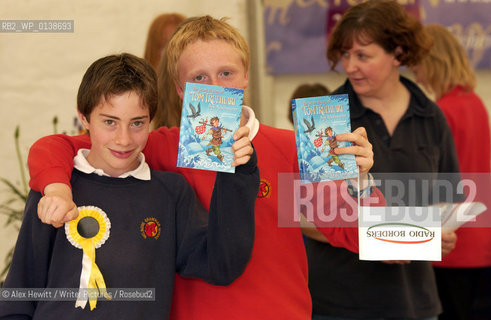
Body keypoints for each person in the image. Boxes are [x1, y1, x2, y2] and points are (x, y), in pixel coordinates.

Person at [25, 16, 383, 319]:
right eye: (199, 78)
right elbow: (54, 147)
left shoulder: (294, 145)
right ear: (181, 89)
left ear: (246, 77)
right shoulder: (159, 146)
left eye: (226, 73)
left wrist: (360, 182)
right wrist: (57, 186)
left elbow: (360, 234)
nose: (216, 88)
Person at [0, 53, 259, 319]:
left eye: (137, 123)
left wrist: (237, 174)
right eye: (109, 122)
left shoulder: (170, 193)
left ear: (151, 121)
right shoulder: (56, 188)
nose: (123, 139)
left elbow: (222, 265)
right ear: (84, 118)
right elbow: (19, 296)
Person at [304, 1, 459, 319]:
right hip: (340, 304)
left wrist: (432, 235)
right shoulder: (324, 118)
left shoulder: (431, 116)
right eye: (345, 55)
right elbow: (305, 216)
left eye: (362, 55)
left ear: (398, 54)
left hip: (416, 304)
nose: (349, 66)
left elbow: (448, 202)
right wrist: (374, 239)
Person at [411, 24, 491, 320]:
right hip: (480, 237)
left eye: (417, 65)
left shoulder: (440, 112)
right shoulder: (476, 104)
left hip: (451, 241)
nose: (416, 74)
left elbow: (433, 182)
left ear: (432, 62)